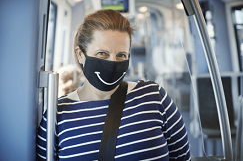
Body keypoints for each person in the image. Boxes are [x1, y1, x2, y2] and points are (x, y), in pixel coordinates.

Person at [37, 9, 191, 161]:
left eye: (121, 55)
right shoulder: (56, 116)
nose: (112, 62)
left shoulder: (154, 97)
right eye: (102, 53)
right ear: (80, 54)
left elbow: (182, 157)